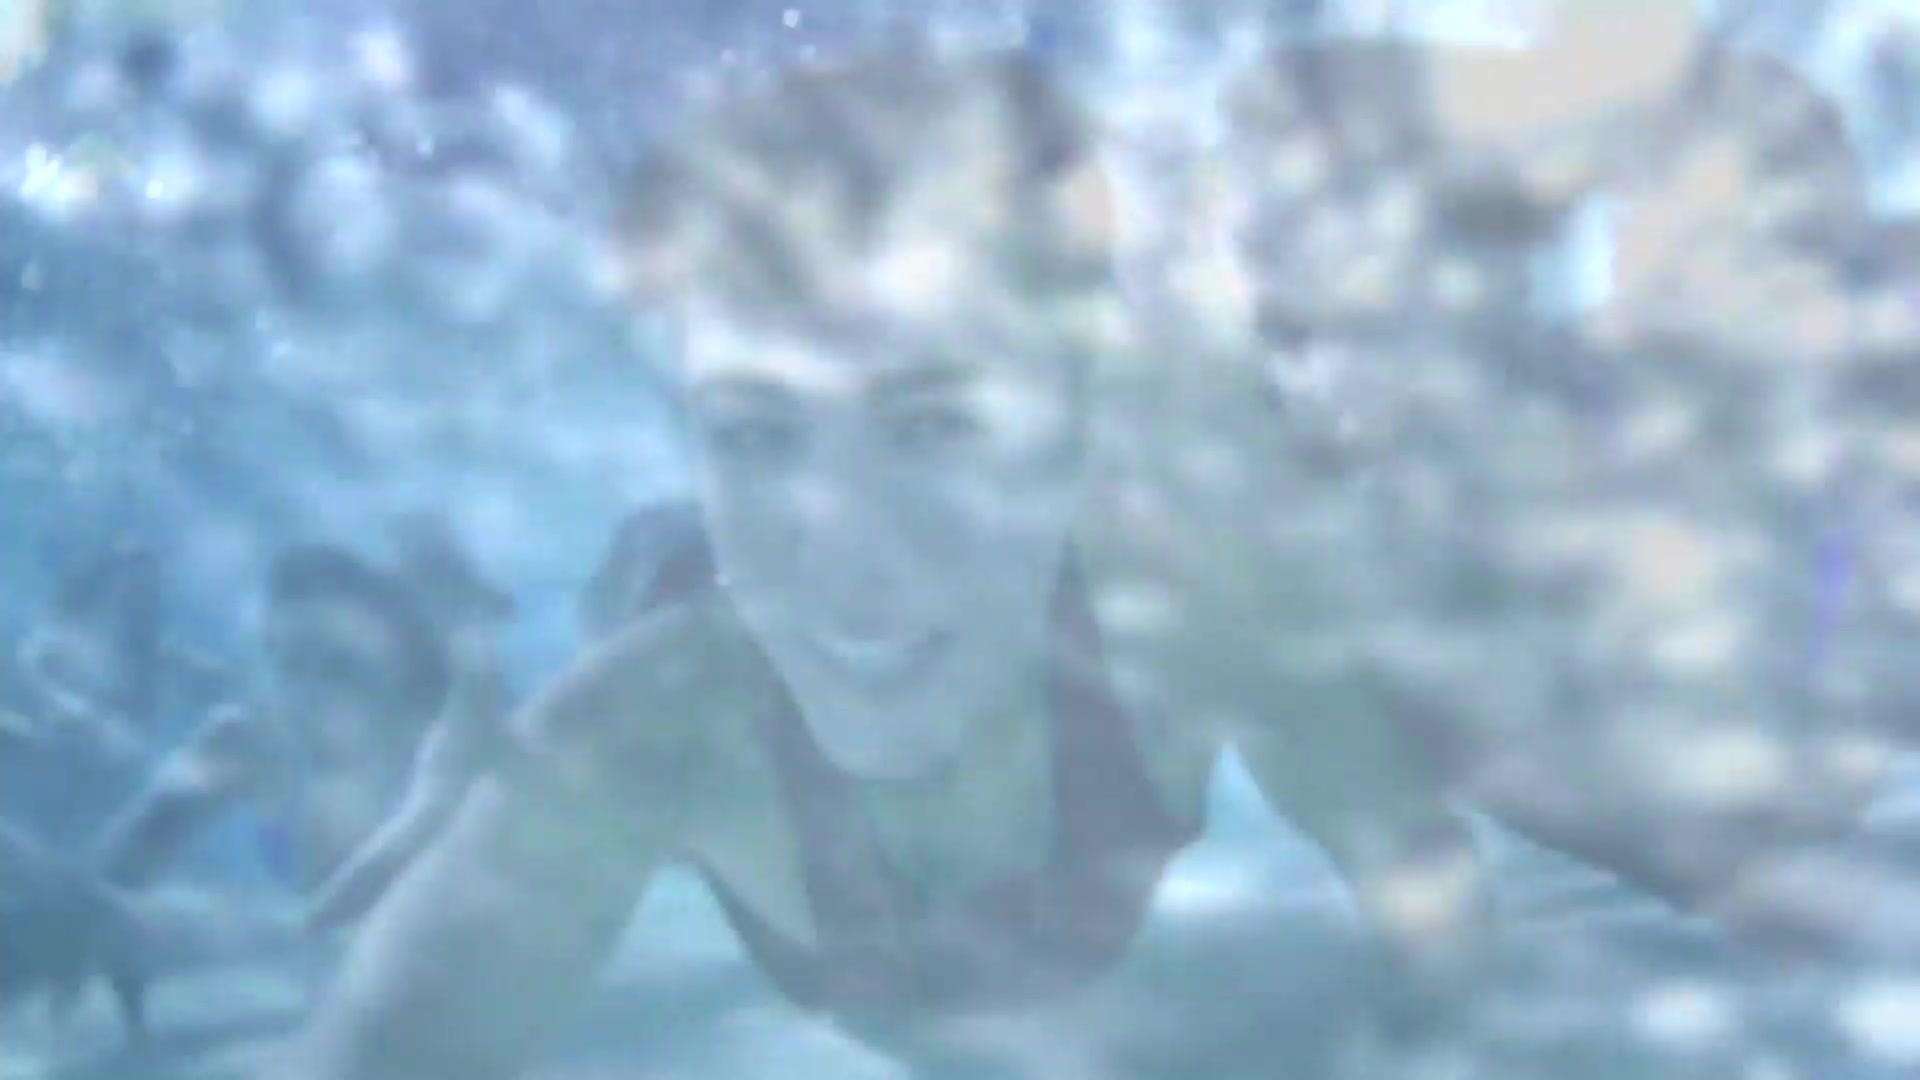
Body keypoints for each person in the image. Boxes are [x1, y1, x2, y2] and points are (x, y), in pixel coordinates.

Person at [266, 17, 1894, 1080]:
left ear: (1073, 432)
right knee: (686, 603)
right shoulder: (634, 739)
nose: (843, 544)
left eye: (936, 432)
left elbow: (1446, 937)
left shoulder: (1206, 610)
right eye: (752, 430)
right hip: (710, 682)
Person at [89, 543, 452, 904]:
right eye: (288, 665)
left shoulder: (449, 819)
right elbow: (100, 900)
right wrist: (165, 814)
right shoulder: (236, 772)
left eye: (340, 669)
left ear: (411, 706)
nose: (304, 694)